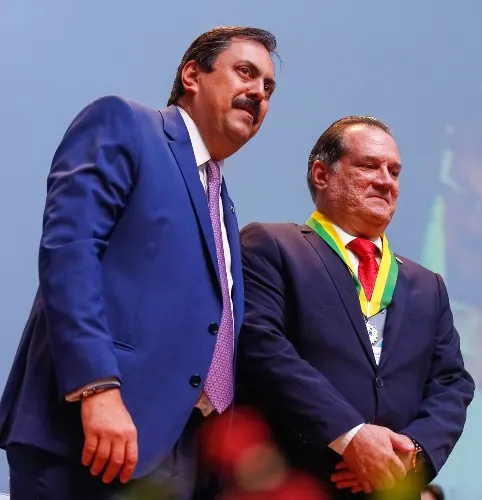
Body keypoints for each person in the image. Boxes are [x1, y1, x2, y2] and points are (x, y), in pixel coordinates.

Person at [0, 25, 278, 499]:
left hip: (182, 454)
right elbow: (71, 250)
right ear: (192, 75)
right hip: (91, 434)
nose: (258, 93)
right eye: (245, 73)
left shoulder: (221, 200)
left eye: (268, 88)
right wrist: (96, 387)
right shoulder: (126, 125)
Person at [235, 116, 475, 499]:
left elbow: (451, 382)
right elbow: (261, 346)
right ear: (321, 175)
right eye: (369, 166)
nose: (385, 181)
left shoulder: (428, 285)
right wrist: (351, 436)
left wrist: (410, 456)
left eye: (394, 171)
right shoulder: (273, 246)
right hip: (288, 482)